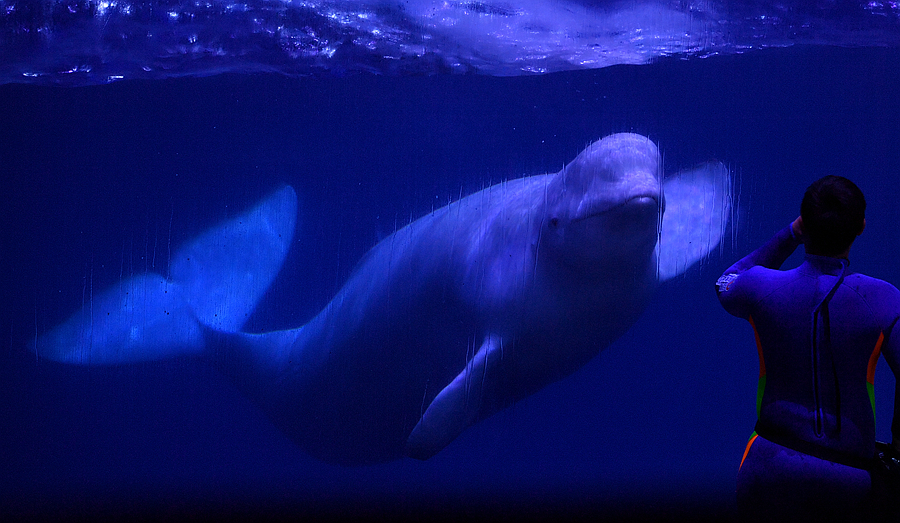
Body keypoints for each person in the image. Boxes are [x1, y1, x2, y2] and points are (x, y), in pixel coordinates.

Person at [715, 175, 900, 519]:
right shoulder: (883, 299)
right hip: (851, 479)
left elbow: (726, 280)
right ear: (861, 226)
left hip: (768, 467)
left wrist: (789, 235)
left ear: (804, 222)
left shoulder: (760, 286)